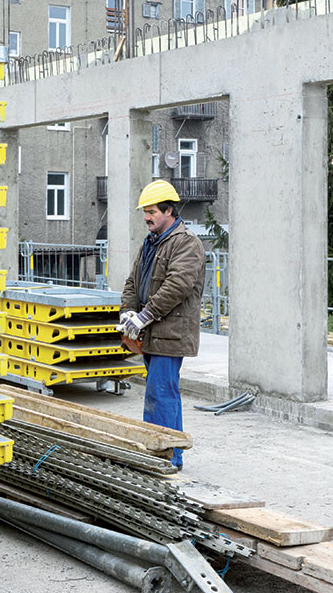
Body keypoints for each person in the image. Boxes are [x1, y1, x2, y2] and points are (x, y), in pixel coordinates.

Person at [120, 179, 205, 470]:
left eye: (152, 211)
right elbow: (133, 282)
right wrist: (127, 313)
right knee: (163, 393)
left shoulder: (186, 243)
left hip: (171, 334)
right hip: (152, 333)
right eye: (145, 211)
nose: (146, 217)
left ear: (170, 211)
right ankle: (171, 454)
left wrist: (145, 315)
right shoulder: (151, 243)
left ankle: (163, 456)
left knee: (160, 395)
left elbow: (177, 286)